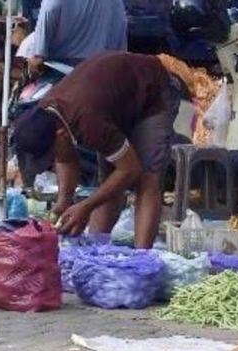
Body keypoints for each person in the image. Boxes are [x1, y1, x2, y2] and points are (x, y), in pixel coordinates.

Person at [14, 52, 183, 248]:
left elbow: (130, 170)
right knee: (109, 180)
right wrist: (63, 204)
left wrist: (85, 207)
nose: (52, 160)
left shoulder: (87, 122)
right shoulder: (48, 114)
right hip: (115, 102)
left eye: (50, 154)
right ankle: (96, 248)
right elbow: (65, 159)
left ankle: (141, 260)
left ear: (61, 134)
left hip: (153, 92)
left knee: (145, 178)